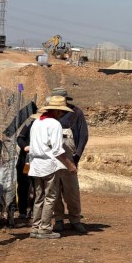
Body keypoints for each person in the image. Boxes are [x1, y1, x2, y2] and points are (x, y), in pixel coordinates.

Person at [28, 96, 78, 240]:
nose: (62, 114)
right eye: (61, 111)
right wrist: (70, 165)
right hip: (49, 165)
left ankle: (36, 227)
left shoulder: (37, 122)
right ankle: (44, 228)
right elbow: (57, 150)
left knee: (39, 197)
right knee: (50, 197)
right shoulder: (55, 124)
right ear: (56, 111)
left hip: (36, 165)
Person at [49, 87, 89, 234]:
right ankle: (58, 219)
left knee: (71, 190)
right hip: (52, 157)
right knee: (54, 190)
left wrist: (77, 155)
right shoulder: (48, 114)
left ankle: (75, 219)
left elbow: (83, 135)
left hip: (69, 157)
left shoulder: (76, 113)